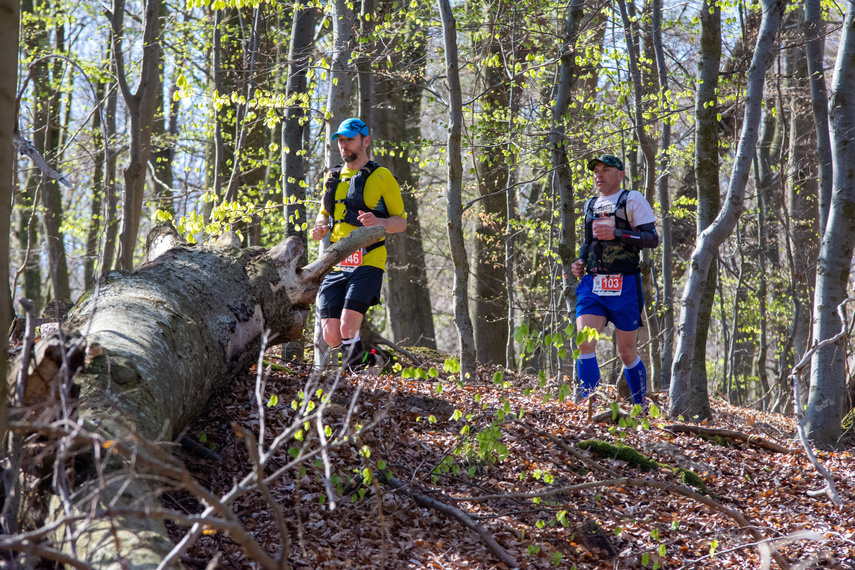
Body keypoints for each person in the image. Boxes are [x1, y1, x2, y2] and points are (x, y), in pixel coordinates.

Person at [311, 117, 407, 368]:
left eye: (349, 140)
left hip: (369, 260)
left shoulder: (382, 176)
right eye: (341, 141)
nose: (344, 146)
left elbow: (402, 222)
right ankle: (373, 360)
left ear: (365, 141)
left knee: (347, 325)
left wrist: (380, 221)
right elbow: (324, 212)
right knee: (331, 335)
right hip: (337, 261)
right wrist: (320, 226)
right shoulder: (332, 176)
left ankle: (358, 380)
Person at [571, 154, 659, 408]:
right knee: (585, 343)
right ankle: (587, 405)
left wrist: (618, 233)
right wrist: (579, 262)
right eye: (596, 170)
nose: (599, 174)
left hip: (625, 284)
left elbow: (651, 239)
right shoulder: (590, 205)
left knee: (626, 352)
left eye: (606, 169)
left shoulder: (632, 199)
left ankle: (641, 406)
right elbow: (589, 242)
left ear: (620, 174)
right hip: (593, 283)